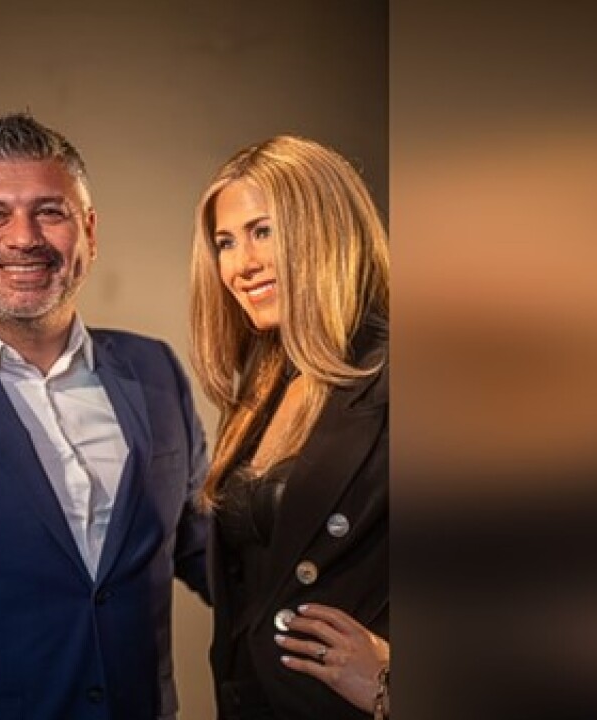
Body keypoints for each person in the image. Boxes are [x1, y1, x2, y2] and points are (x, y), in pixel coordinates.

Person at [0, 113, 210, 720]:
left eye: (50, 212)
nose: (25, 238)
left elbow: (213, 553)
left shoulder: (156, 371)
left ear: (89, 231)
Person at [189, 135, 390, 719]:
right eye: (226, 242)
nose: (241, 265)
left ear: (325, 230)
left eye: (262, 231)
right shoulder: (264, 383)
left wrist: (390, 680)